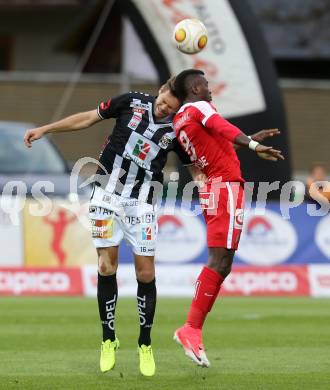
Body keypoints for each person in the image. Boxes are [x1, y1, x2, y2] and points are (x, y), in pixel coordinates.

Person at [24, 78, 192, 377]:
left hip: (142, 203)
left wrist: (212, 180)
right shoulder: (131, 102)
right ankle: (108, 339)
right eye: (164, 102)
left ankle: (144, 343)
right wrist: (46, 129)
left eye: (171, 109)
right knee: (106, 267)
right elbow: (88, 118)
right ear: (163, 89)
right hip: (105, 195)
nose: (164, 109)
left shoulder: (176, 130)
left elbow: (196, 162)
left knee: (146, 273)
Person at [171, 69, 284, 367]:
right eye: (206, 85)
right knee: (220, 261)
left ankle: (192, 329)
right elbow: (220, 125)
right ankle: (190, 329)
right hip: (225, 188)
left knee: (224, 261)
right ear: (196, 87)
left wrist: (247, 141)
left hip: (213, 188)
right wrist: (254, 145)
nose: (210, 91)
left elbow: (212, 145)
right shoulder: (200, 107)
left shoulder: (179, 120)